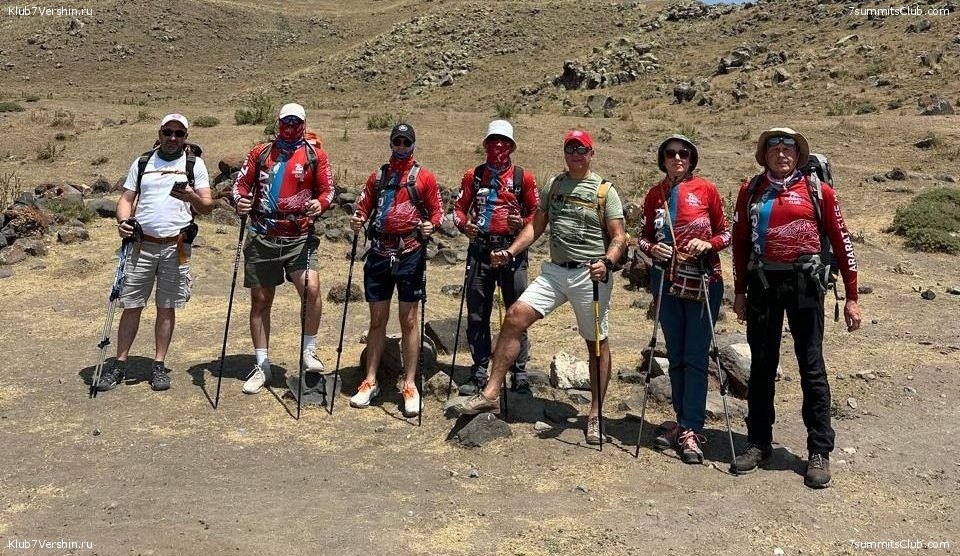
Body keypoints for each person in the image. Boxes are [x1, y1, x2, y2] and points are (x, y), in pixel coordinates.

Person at [449, 130, 627, 445]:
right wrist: (510, 252)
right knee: (515, 316)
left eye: (581, 149)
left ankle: (595, 414)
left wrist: (608, 261)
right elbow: (536, 225)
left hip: (590, 274)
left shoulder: (604, 190)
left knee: (596, 343)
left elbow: (619, 236)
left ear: (591, 153)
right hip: (556, 271)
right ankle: (490, 393)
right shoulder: (554, 185)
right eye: (570, 148)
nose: (575, 154)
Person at [730, 127, 862, 488]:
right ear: (764, 154)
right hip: (762, 285)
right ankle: (759, 442)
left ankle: (819, 450)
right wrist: (739, 292)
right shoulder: (751, 190)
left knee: (811, 365)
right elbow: (740, 243)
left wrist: (852, 297)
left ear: (798, 154)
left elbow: (842, 241)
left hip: (806, 285)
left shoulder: (819, 191)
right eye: (774, 147)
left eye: (788, 147)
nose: (781, 153)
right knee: (762, 365)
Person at [96, 113, 213, 392]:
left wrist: (191, 197)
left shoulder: (194, 164)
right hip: (141, 244)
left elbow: (207, 206)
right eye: (168, 132)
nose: (173, 137)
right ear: (159, 133)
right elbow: (126, 199)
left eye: (179, 133)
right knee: (131, 304)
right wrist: (123, 222)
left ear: (185, 137)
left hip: (177, 245)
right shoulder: (143, 162)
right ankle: (119, 364)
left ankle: (159, 365)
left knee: (167, 305)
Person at [637, 134, 730, 463]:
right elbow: (642, 238)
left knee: (696, 356)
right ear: (662, 159)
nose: (677, 158)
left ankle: (692, 427)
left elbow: (726, 233)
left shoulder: (707, 189)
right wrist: (653, 249)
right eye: (671, 153)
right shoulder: (655, 194)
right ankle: (681, 421)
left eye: (684, 154)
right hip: (666, 280)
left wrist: (709, 244)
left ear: (692, 159)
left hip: (704, 281)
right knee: (675, 354)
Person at [232, 103, 336, 395]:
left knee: (311, 288)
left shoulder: (315, 155)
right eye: (286, 122)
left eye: (296, 122)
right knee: (260, 300)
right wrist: (240, 201)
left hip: (299, 235)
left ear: (304, 124)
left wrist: (320, 204)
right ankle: (262, 364)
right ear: (278, 123)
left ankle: (309, 350)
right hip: (263, 233)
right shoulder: (261, 152)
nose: (291, 127)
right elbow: (240, 185)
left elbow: (328, 190)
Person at [348, 123, 443, 417]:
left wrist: (431, 225)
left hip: (410, 253)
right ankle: (370, 381)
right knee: (377, 319)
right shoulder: (378, 177)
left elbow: (438, 211)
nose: (401, 146)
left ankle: (410, 384)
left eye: (406, 142)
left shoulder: (424, 177)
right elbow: (363, 207)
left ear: (413, 145)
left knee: (409, 320)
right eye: (397, 141)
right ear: (391, 144)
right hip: (379, 253)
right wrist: (358, 218)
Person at [452, 120, 540, 397]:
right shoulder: (474, 175)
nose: (498, 146)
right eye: (493, 141)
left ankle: (519, 371)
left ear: (512, 146)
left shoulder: (523, 178)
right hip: (480, 250)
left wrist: (520, 222)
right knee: (477, 312)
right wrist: (464, 225)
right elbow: (458, 209)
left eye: (504, 141)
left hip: (513, 251)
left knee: (518, 312)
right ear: (485, 144)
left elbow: (537, 215)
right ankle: (480, 369)